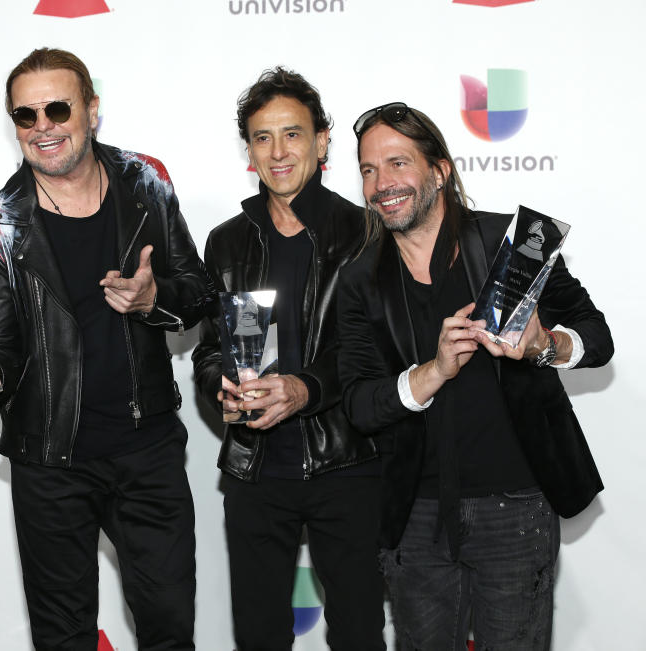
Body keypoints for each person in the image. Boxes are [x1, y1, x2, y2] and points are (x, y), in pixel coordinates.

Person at [0, 47, 213, 650]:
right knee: (63, 638)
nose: (43, 126)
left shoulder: (145, 180)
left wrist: (155, 302)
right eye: (26, 115)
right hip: (49, 464)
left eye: (57, 108)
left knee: (171, 627)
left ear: (92, 110)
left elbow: (199, 292)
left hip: (147, 451)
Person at [337, 102, 613, 650]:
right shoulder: (360, 279)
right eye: (368, 170)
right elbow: (361, 406)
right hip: (414, 519)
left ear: (439, 171)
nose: (381, 183)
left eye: (397, 164)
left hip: (517, 509)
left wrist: (545, 346)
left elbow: (597, 336)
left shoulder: (508, 244)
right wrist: (433, 372)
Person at [191, 68, 385, 651]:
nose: (278, 152)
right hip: (255, 469)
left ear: (323, 142)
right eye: (262, 137)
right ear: (248, 149)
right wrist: (218, 388)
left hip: (349, 463)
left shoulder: (367, 232)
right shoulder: (227, 241)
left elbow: (378, 349)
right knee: (258, 636)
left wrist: (305, 389)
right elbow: (207, 349)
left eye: (293, 134)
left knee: (357, 634)